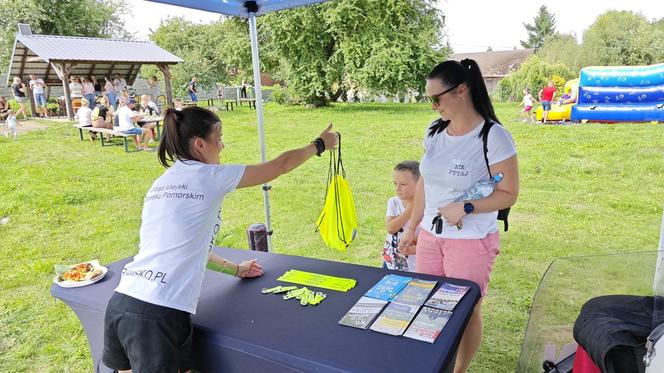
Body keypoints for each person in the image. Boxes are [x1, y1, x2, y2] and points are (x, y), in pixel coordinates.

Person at [102, 106, 337, 372]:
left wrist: (236, 269)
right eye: (219, 138)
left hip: (122, 302)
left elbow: (187, 249)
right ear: (200, 144)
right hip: (159, 314)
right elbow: (280, 166)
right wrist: (319, 144)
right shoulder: (208, 176)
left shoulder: (162, 183)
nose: (222, 146)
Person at [398, 58, 519, 373]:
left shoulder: (493, 136)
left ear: (461, 90)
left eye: (437, 98)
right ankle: (434, 364)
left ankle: (459, 370)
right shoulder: (434, 131)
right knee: (430, 305)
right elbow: (426, 179)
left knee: (465, 312)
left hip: (470, 241)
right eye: (429, 99)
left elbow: (508, 192)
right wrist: (413, 226)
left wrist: (465, 207)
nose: (434, 106)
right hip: (430, 237)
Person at [382, 161, 420, 272]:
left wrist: (415, 248)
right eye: (395, 183)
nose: (397, 188)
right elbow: (390, 228)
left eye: (403, 184)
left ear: (420, 185)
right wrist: (409, 209)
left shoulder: (427, 208)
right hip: (391, 262)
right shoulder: (393, 202)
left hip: (416, 265)